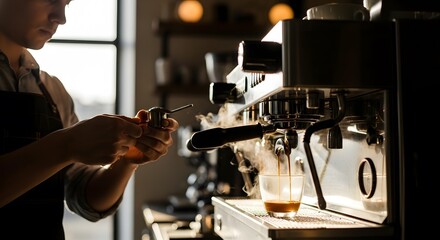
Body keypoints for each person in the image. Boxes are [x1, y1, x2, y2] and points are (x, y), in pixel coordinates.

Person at [0, 0, 179, 238]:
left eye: (66, 4)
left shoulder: (52, 91)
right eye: (51, 0)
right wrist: (67, 145)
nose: (60, 17)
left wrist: (127, 161)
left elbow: (84, 200)